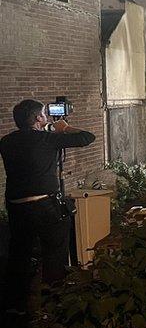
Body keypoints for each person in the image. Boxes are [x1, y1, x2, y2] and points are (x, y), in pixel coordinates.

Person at [1, 100, 96, 313]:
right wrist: (64, 128)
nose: (46, 116)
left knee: (20, 253)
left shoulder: (6, 142)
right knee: (54, 250)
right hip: (44, 205)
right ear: (38, 119)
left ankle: (15, 304)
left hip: (16, 207)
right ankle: (55, 300)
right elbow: (87, 137)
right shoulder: (47, 139)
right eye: (44, 113)